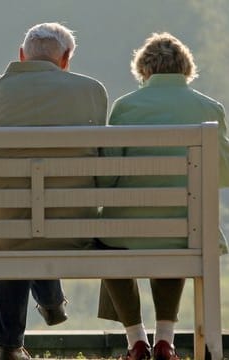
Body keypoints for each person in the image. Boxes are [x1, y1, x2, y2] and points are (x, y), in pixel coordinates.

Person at [0, 23, 107, 360]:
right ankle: (50, 298)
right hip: (72, 228)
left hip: (1, 227)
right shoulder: (91, 91)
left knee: (13, 220)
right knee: (40, 212)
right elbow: (101, 159)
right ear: (66, 58)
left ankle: (10, 346)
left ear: (21, 55)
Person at [97, 32, 229, 360]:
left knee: (104, 238)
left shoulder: (125, 107)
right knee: (179, 231)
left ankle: (136, 340)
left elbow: (107, 175)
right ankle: (165, 341)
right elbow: (223, 174)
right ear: (186, 68)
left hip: (127, 232)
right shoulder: (209, 109)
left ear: (144, 69)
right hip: (186, 230)